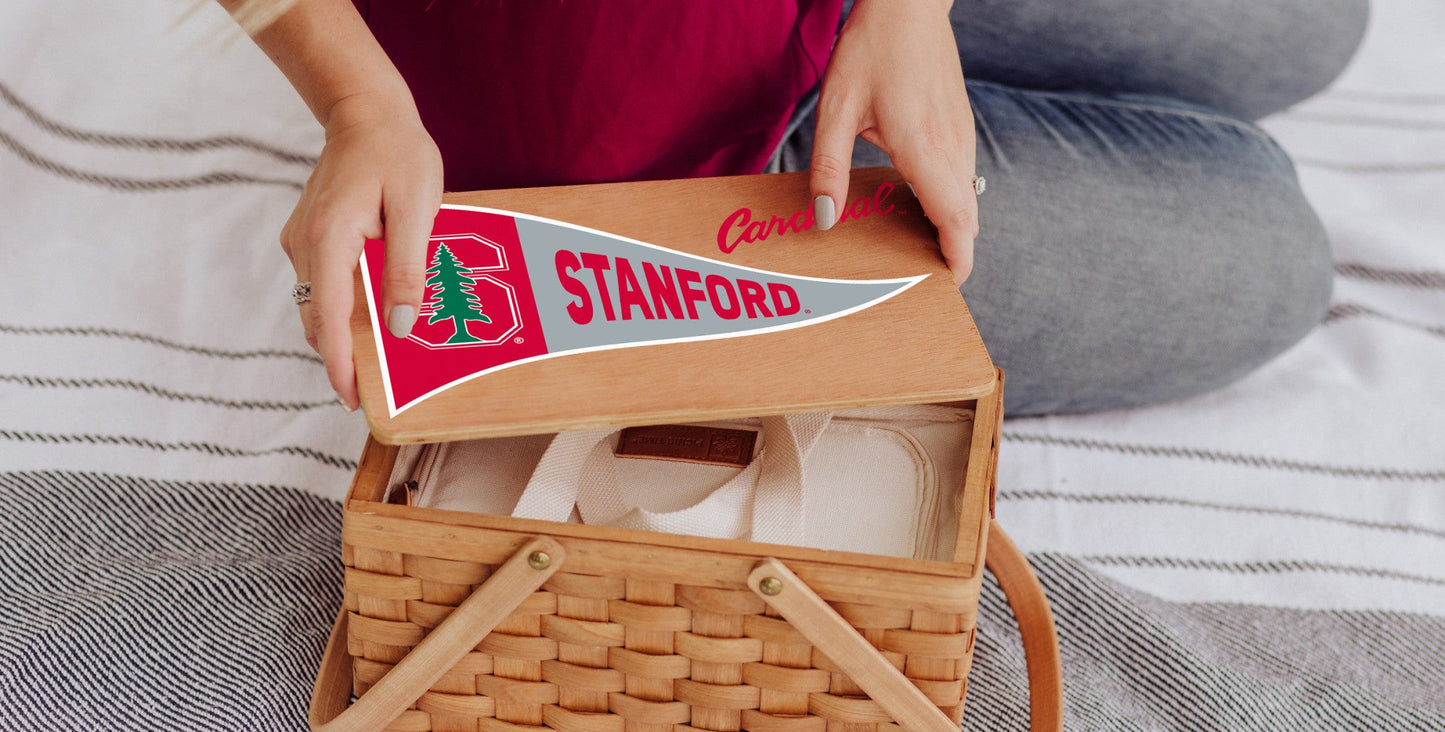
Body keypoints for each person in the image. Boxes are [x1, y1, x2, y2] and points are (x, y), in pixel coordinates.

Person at [224, 0, 1367, 416]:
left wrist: (910, 11)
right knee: (1269, 254)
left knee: (1311, 17)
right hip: (631, 146)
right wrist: (359, 97)